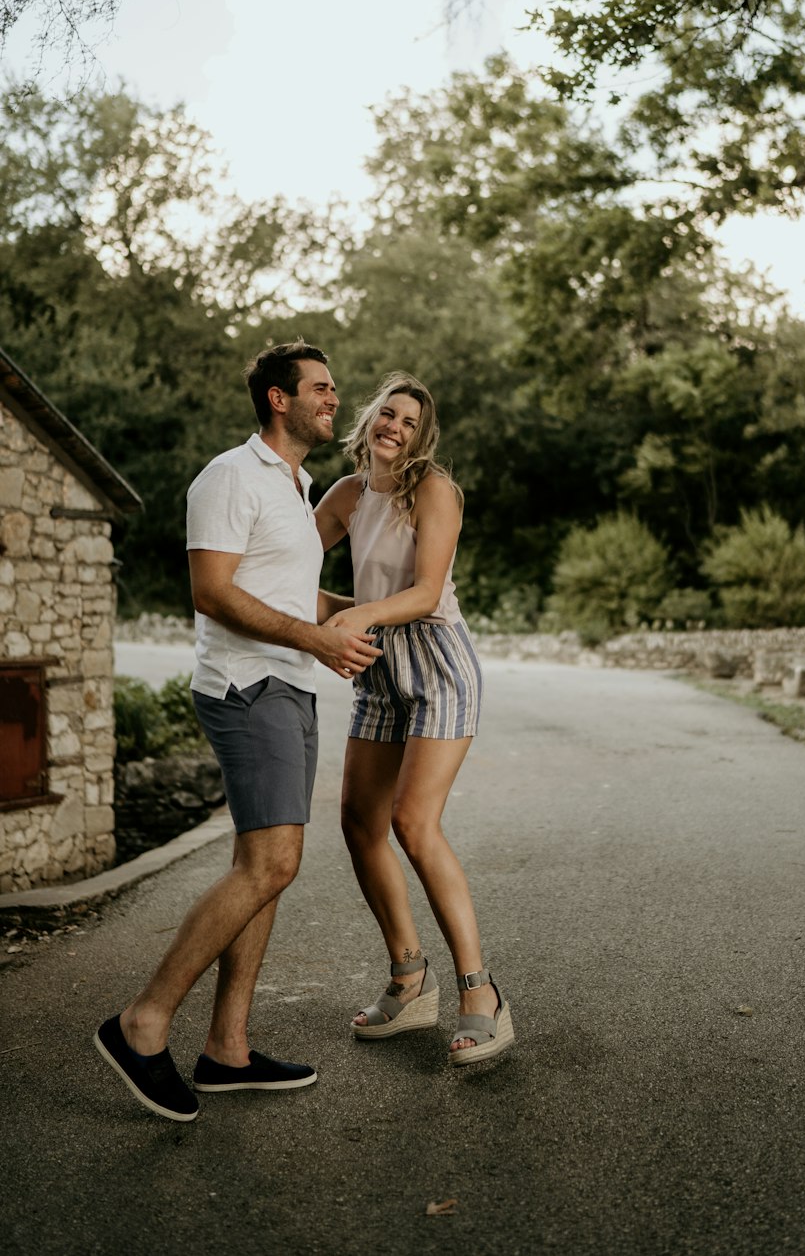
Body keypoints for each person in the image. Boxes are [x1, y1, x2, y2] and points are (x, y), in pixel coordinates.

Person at [94, 339, 381, 1121]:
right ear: (278, 399)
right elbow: (213, 592)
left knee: (266, 863)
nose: (334, 399)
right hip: (247, 685)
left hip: (287, 684)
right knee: (272, 863)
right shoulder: (229, 475)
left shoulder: (296, 486)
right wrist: (316, 639)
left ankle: (227, 1050)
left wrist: (359, 619)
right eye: (320, 389)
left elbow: (286, 588)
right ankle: (142, 1023)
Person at [314, 371, 514, 1065]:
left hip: (436, 663)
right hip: (375, 665)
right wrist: (314, 620)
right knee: (359, 822)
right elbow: (288, 568)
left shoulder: (432, 490)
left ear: (420, 437)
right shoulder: (345, 495)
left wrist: (352, 615)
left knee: (412, 822)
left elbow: (427, 594)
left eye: (409, 422)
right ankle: (410, 977)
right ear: (370, 419)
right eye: (387, 413)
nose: (395, 426)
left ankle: (480, 992)